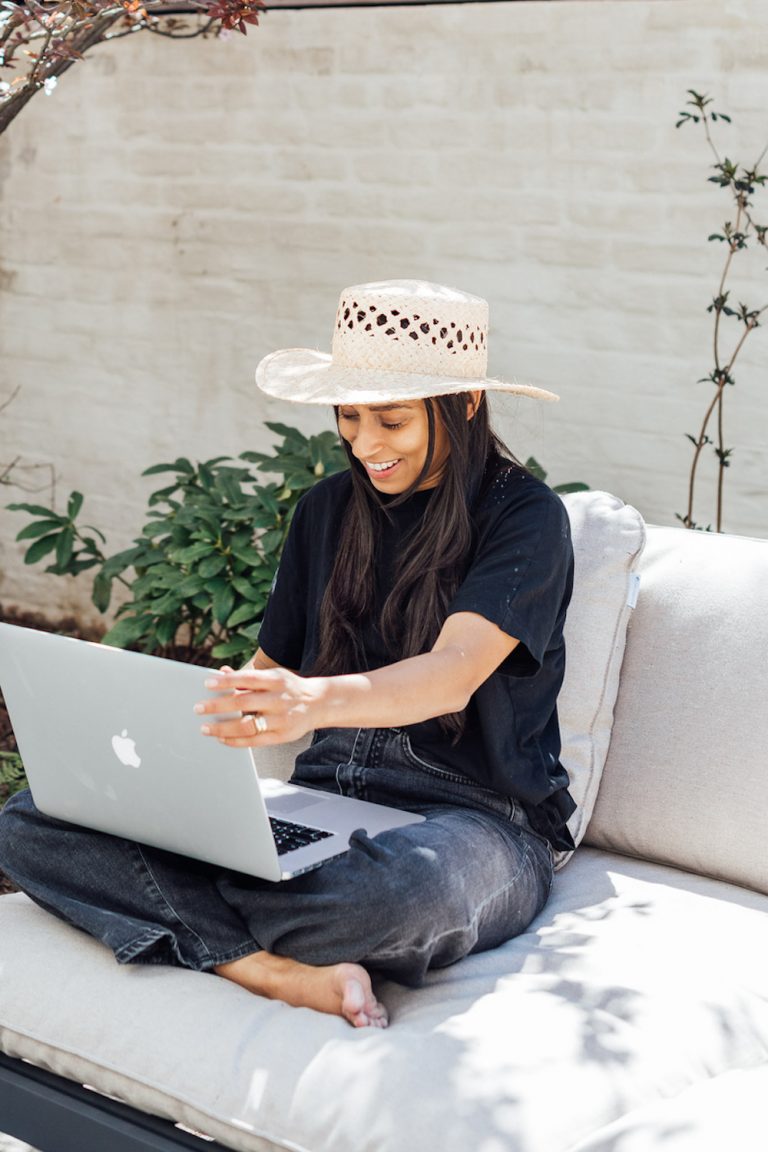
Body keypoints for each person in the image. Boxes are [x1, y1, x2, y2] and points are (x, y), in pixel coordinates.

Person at [0, 279, 575, 1029]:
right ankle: (265, 967)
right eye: (349, 416)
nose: (366, 444)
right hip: (324, 800)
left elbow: (452, 675)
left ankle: (193, 917)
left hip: (477, 820)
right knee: (30, 820)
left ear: (464, 404)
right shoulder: (326, 511)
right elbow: (266, 675)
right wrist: (198, 729)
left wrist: (317, 700)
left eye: (393, 421)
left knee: (395, 899)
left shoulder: (526, 518)